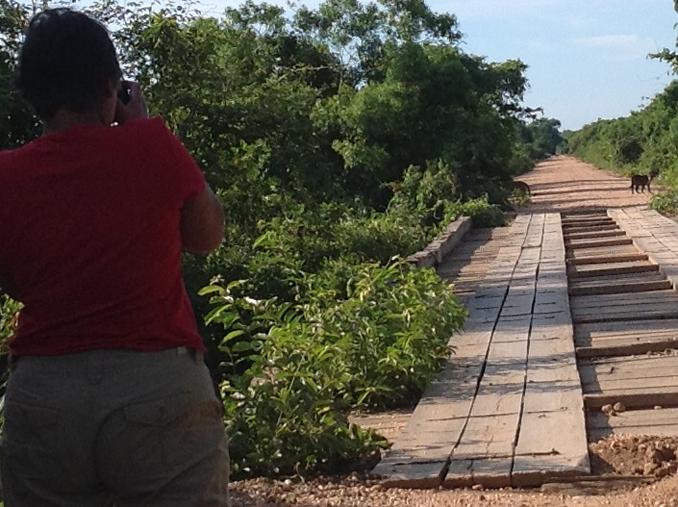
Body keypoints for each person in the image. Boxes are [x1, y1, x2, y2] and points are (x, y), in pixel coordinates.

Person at [0, 8, 229, 506]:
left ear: (33, 95)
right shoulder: (150, 145)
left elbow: (16, 282)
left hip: (45, 392)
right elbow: (208, 234)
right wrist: (145, 126)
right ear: (111, 87)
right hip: (156, 384)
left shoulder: (6, 176)